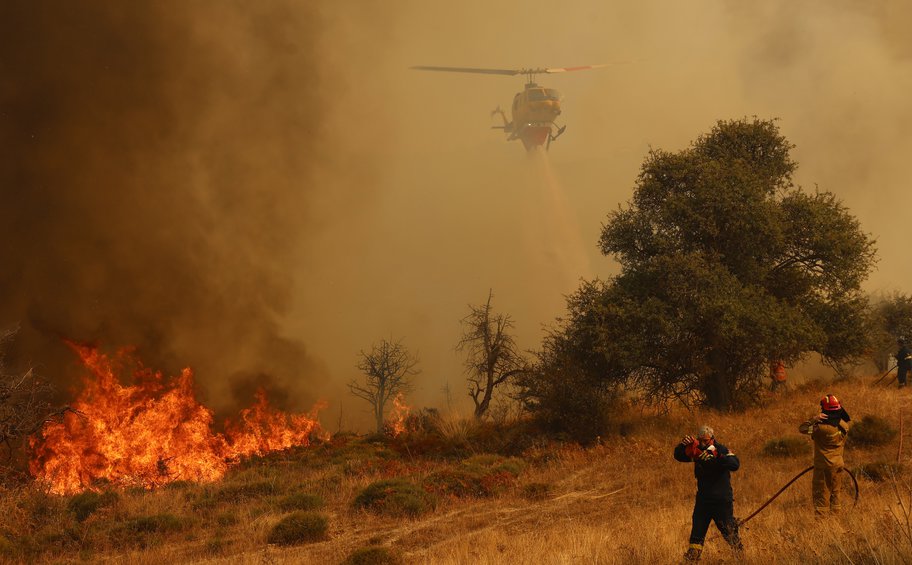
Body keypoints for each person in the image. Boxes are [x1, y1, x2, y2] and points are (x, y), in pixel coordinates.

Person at [674, 425, 742, 562]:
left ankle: (740, 558)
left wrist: (718, 457)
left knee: (729, 532)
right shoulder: (697, 451)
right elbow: (678, 456)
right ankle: (692, 560)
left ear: (712, 438)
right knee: (696, 534)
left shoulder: (721, 449)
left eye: (705, 440)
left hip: (721, 501)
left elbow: (735, 464)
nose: (703, 443)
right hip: (703, 501)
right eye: (701, 440)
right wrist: (682, 445)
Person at [799, 394, 851, 515]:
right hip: (838, 465)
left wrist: (815, 418)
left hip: (823, 468)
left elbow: (802, 429)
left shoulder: (820, 429)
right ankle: (835, 520)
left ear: (825, 412)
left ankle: (822, 525)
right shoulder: (844, 425)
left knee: (821, 494)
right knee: (835, 493)